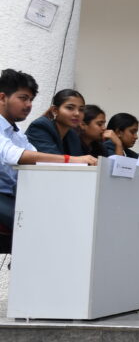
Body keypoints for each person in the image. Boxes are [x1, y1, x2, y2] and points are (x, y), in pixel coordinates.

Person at [1, 69, 97, 249]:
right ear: (2, 98)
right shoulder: (36, 127)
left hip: (15, 194)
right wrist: (71, 160)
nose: (29, 105)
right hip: (4, 195)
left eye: (31, 100)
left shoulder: (17, 134)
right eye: (23, 98)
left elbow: (38, 160)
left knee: (58, 220)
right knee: (37, 225)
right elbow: (15, 155)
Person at [25, 89, 86, 156]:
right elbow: (52, 159)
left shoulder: (72, 134)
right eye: (70, 108)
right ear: (55, 110)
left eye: (81, 109)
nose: (77, 113)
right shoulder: (41, 126)